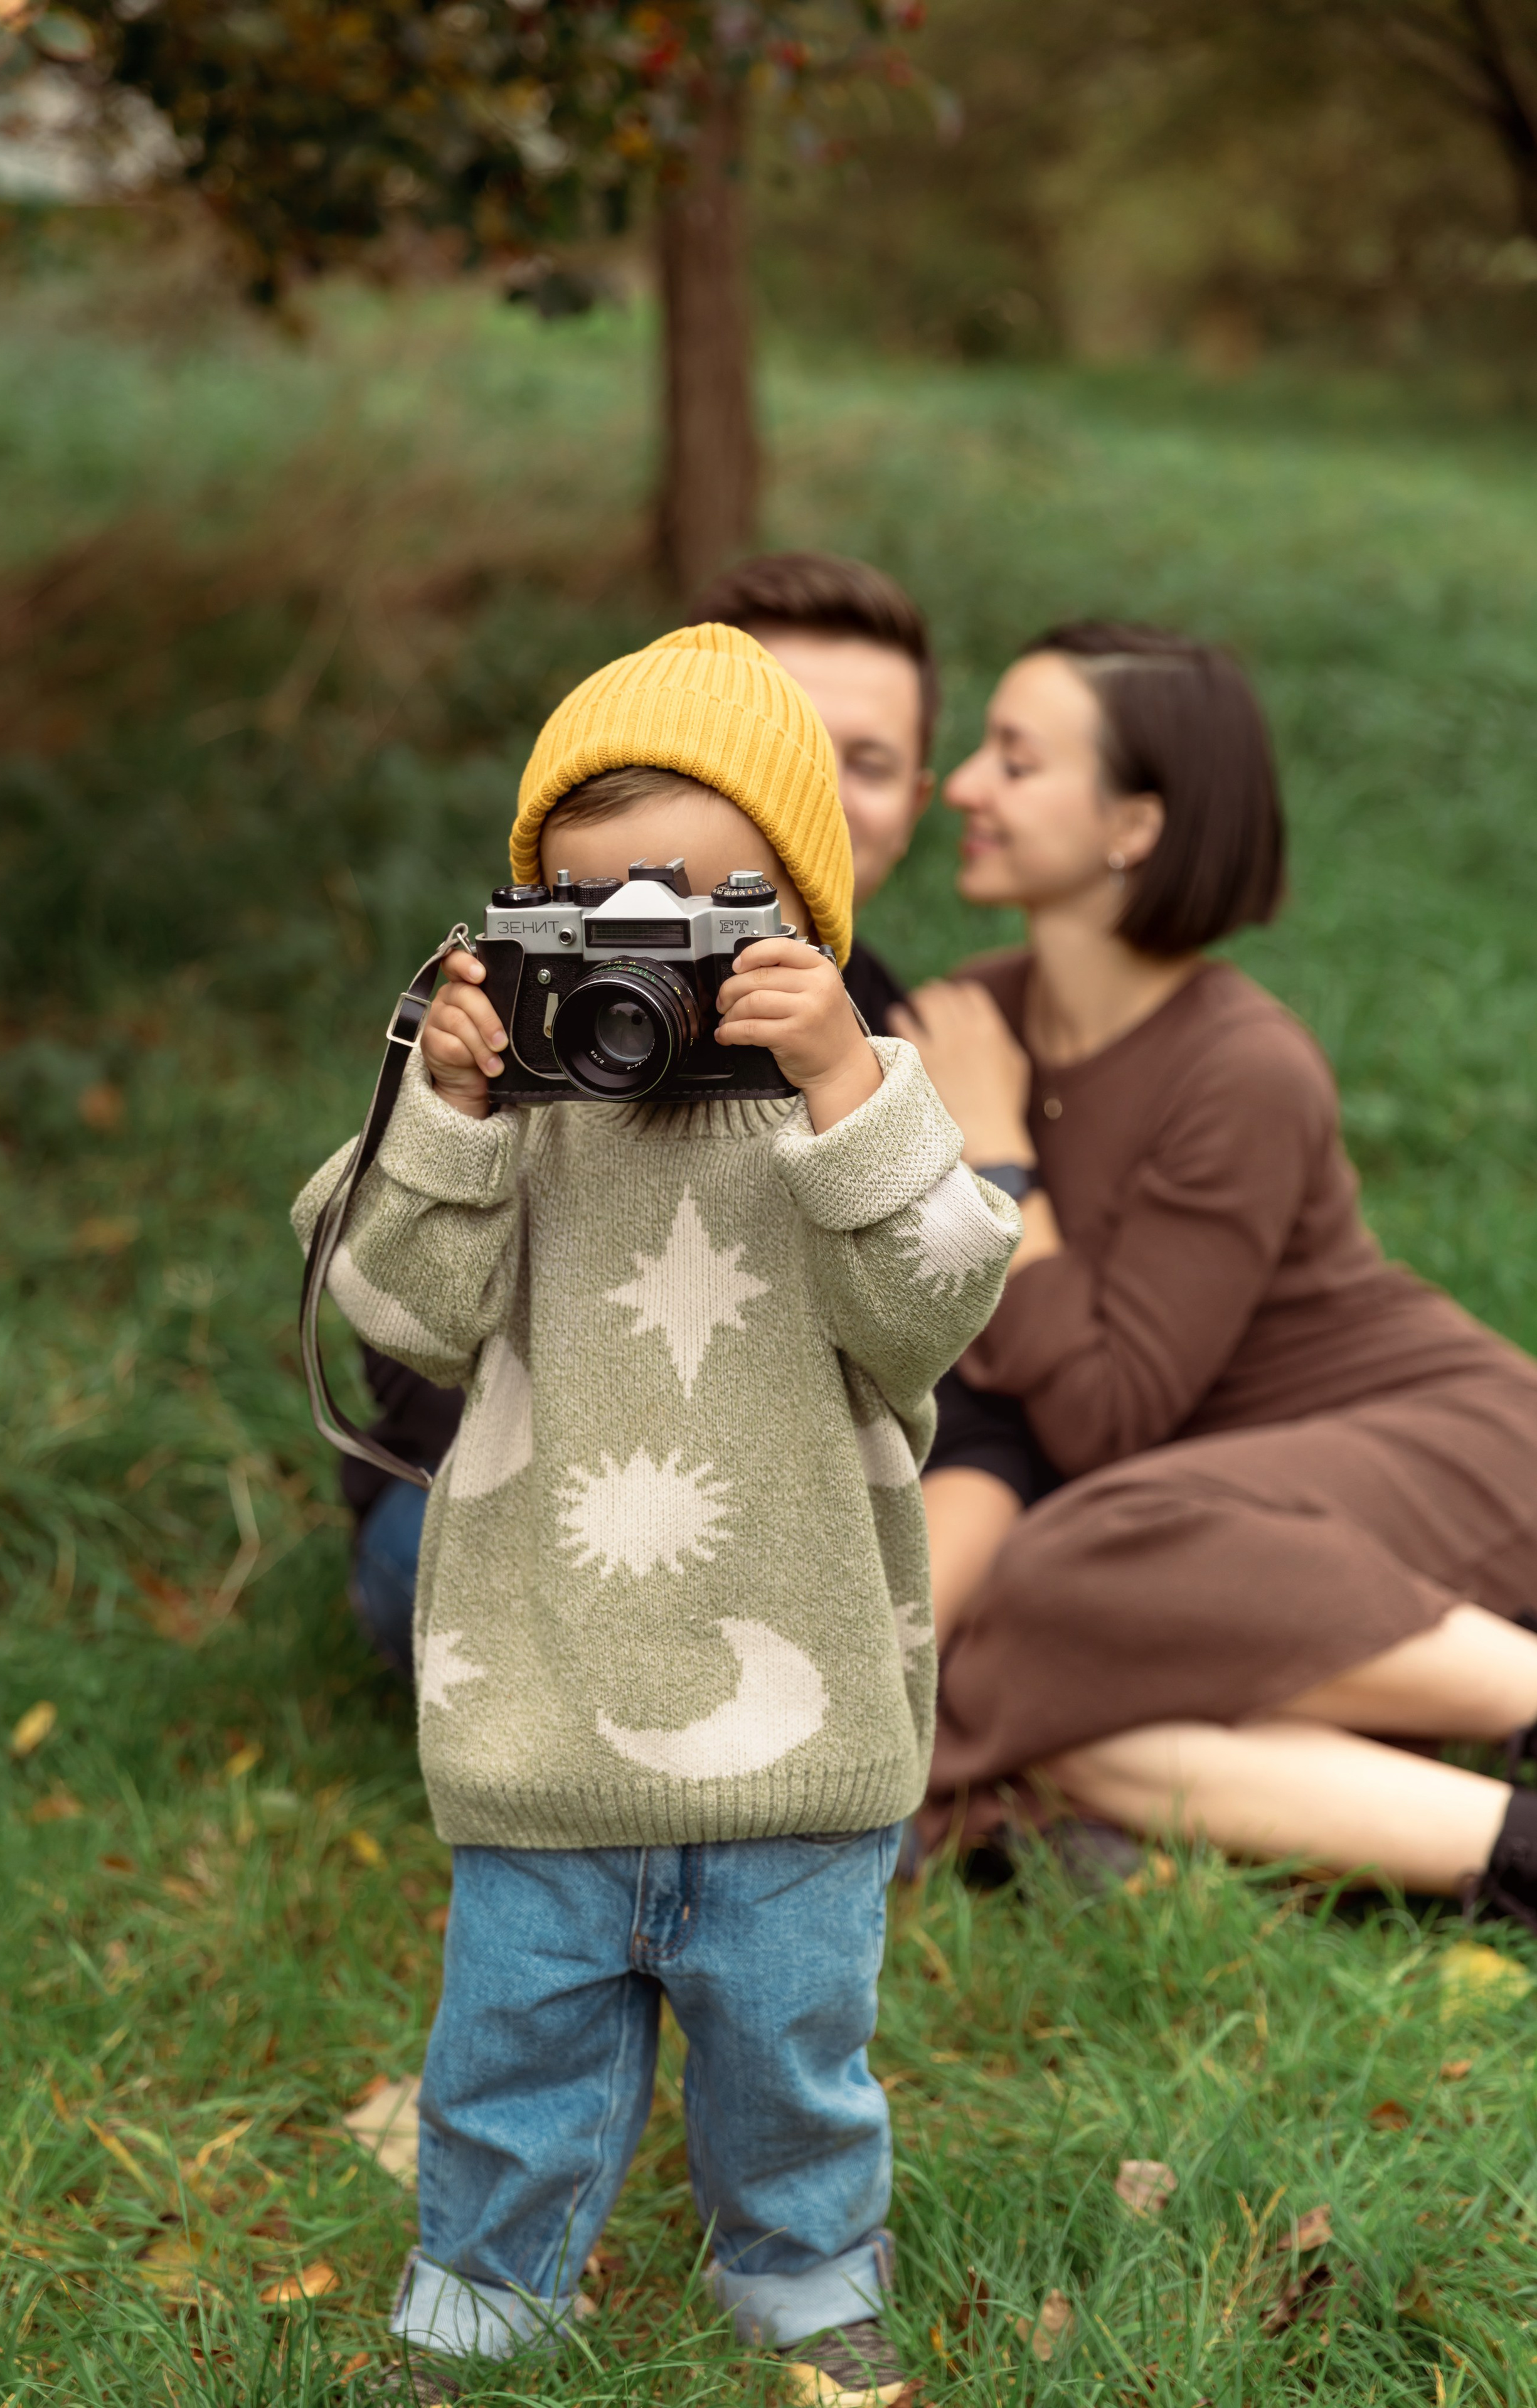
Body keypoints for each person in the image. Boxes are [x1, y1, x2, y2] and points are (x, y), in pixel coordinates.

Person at [292, 622, 1018, 2399]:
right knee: (508, 2052)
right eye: (597, 907)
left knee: (794, 2054)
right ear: (522, 913)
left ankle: (805, 2279)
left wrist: (847, 1082)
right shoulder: (515, 1111)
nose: (649, 956)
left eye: (709, 907)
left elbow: (938, 1303)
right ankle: (479, 2299)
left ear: (815, 922)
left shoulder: (855, 1110)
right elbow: (392, 1313)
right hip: (541, 1705)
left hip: (810, 1721)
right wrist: (454, 1099)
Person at [889, 620, 1537, 1923]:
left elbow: (1103, 1415)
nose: (958, 785)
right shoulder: (974, 1015)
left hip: (1433, 1447)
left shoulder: (1241, 1065)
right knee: (1062, 1696)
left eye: (1013, 761)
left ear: (1134, 824)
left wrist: (1005, 1170)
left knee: (1068, 1573)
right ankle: (1506, 1845)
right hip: (1194, 1514)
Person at [342, 553, 1050, 1676]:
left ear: (911, 798)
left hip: (781, 1533)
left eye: (851, 760)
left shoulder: (887, 1047)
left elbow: (945, 1357)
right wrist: (455, 1112)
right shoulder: (529, 1040)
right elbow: (408, 1335)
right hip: (521, 1504)